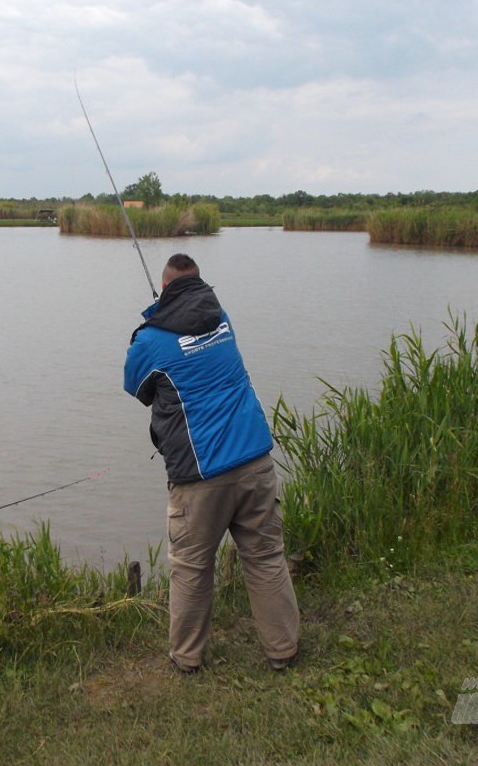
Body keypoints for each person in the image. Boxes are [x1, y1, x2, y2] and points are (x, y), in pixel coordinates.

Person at [124, 253, 300, 673]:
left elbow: (136, 386)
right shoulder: (222, 320)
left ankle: (186, 658)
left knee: (190, 568)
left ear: (164, 290)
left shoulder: (150, 340)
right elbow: (191, 327)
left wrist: (155, 316)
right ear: (202, 284)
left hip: (200, 476)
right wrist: (166, 310)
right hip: (255, 460)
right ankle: (284, 650)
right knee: (265, 557)